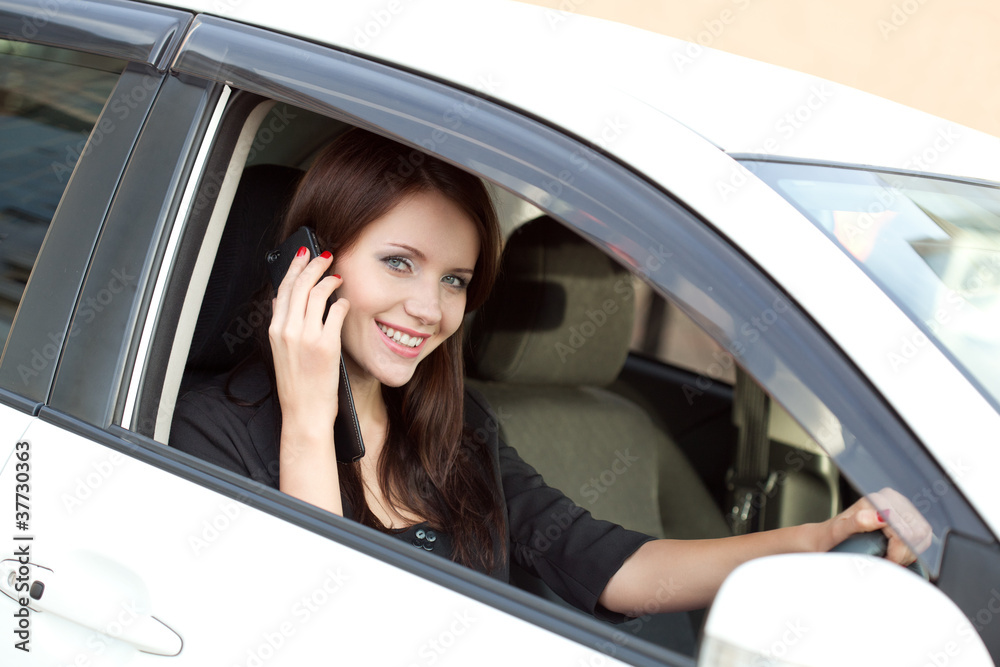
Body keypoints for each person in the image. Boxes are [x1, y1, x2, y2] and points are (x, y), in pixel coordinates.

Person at [171, 127, 922, 621]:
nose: (429, 308)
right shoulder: (209, 429)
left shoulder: (454, 431)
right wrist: (306, 420)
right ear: (311, 264)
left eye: (456, 280)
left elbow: (610, 566)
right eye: (398, 263)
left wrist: (819, 541)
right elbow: (316, 628)